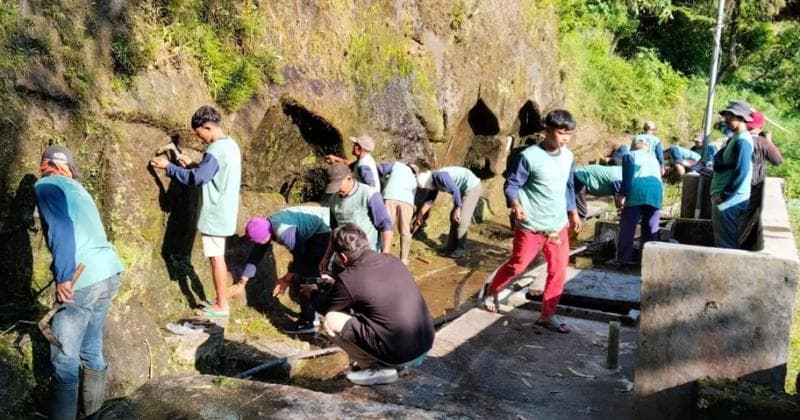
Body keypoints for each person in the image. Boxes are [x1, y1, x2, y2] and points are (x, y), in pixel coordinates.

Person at [35, 146, 124, 420]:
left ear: (46, 164)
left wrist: (63, 276)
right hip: (109, 272)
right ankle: (92, 417)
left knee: (65, 358)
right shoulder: (78, 189)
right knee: (91, 349)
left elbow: (61, 228)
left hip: (82, 278)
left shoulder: (47, 185)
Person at [483, 109, 582, 334]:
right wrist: (515, 204)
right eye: (561, 133)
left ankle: (547, 316)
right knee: (518, 264)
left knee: (558, 270)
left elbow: (568, 186)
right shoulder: (528, 157)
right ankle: (493, 290)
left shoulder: (568, 156)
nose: (565, 138)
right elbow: (512, 184)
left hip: (557, 225)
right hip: (531, 224)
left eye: (569, 134)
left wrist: (573, 211)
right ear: (546, 131)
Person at [307, 224, 434, 386]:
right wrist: (337, 286)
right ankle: (394, 365)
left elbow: (325, 306)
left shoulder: (350, 278)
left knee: (331, 320)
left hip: (402, 354)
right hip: (425, 344)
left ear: (343, 258)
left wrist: (312, 291)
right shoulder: (393, 260)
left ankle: (376, 369)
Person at [150, 106, 242, 317]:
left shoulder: (216, 149)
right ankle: (221, 300)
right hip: (225, 212)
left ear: (207, 127)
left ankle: (221, 305)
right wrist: (194, 164)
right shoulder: (230, 145)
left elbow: (199, 179)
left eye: (199, 132)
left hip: (215, 215)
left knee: (215, 257)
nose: (199, 137)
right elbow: (212, 172)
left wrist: (169, 168)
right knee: (217, 255)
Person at [239, 206, 331, 333]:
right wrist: (242, 281)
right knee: (304, 274)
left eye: (260, 241)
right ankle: (313, 316)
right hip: (314, 227)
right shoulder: (265, 226)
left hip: (323, 230)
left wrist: (286, 280)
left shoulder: (284, 232)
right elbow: (256, 254)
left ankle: (309, 322)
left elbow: (300, 257)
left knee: (304, 276)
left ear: (267, 235)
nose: (259, 244)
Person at [320, 163, 392, 271]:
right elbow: (334, 232)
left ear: (349, 178)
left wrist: (385, 254)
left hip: (366, 259)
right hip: (342, 260)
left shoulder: (369, 194)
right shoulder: (333, 199)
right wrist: (326, 257)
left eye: (339, 184)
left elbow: (385, 225)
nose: (337, 189)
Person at [710, 101, 754, 249]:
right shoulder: (734, 138)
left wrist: (725, 195)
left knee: (725, 244)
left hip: (730, 200)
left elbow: (742, 171)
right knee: (724, 240)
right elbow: (721, 161)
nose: (726, 120)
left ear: (740, 118)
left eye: (730, 116)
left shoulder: (743, 141)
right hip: (726, 199)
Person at [614, 138, 664, 265]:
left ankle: (623, 260)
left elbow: (628, 177)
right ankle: (648, 262)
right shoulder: (654, 159)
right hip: (656, 192)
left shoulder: (630, 156)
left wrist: (622, 194)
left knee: (628, 227)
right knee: (651, 227)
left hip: (637, 191)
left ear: (633, 147)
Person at [413, 166, 481, 258]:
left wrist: (457, 208)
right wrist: (419, 216)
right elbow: (429, 201)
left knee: (461, 219)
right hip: (461, 190)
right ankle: (450, 248)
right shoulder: (433, 181)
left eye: (426, 188)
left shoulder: (440, 177)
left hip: (472, 188)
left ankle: (460, 250)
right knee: (453, 218)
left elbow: (455, 190)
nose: (427, 190)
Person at [740, 111, 783, 250]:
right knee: (745, 219)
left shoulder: (737, 139)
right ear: (762, 126)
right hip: (754, 185)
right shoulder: (763, 142)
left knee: (734, 218)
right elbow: (777, 161)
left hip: (735, 185)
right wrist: (769, 141)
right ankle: (735, 246)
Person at [377, 161, 418, 264]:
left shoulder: (396, 164)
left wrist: (382, 180)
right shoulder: (414, 180)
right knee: (405, 230)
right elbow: (413, 198)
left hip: (390, 196)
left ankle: (383, 255)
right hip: (407, 201)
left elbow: (380, 168)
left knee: (385, 227)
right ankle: (404, 259)